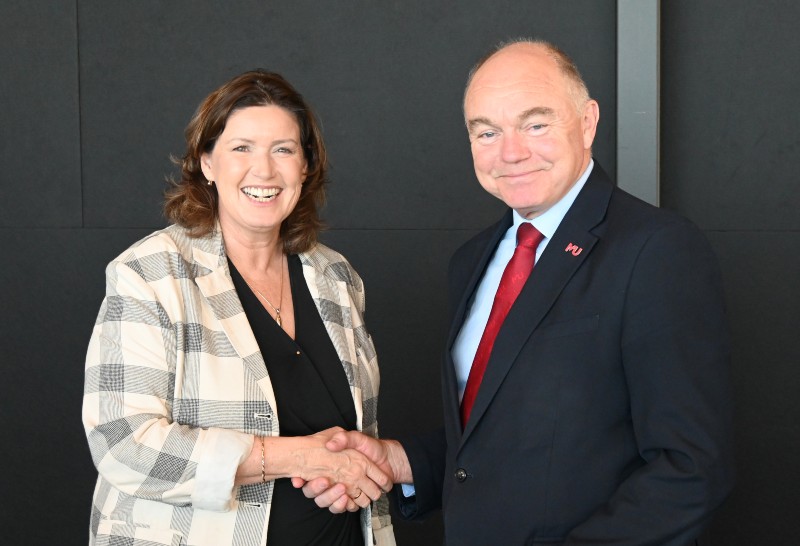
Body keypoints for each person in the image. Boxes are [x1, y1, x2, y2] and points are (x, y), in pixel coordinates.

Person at [300, 40, 735, 545]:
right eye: (487, 131)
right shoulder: (474, 260)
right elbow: (502, 435)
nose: (511, 152)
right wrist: (402, 462)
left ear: (588, 121)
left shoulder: (656, 250)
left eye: (535, 124)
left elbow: (692, 466)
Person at [82, 70, 395, 546]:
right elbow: (123, 444)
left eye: (284, 149)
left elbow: (355, 436)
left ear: (306, 167)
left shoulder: (336, 277)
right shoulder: (149, 274)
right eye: (241, 148)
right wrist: (299, 458)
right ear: (207, 162)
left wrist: (351, 474)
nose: (264, 171)